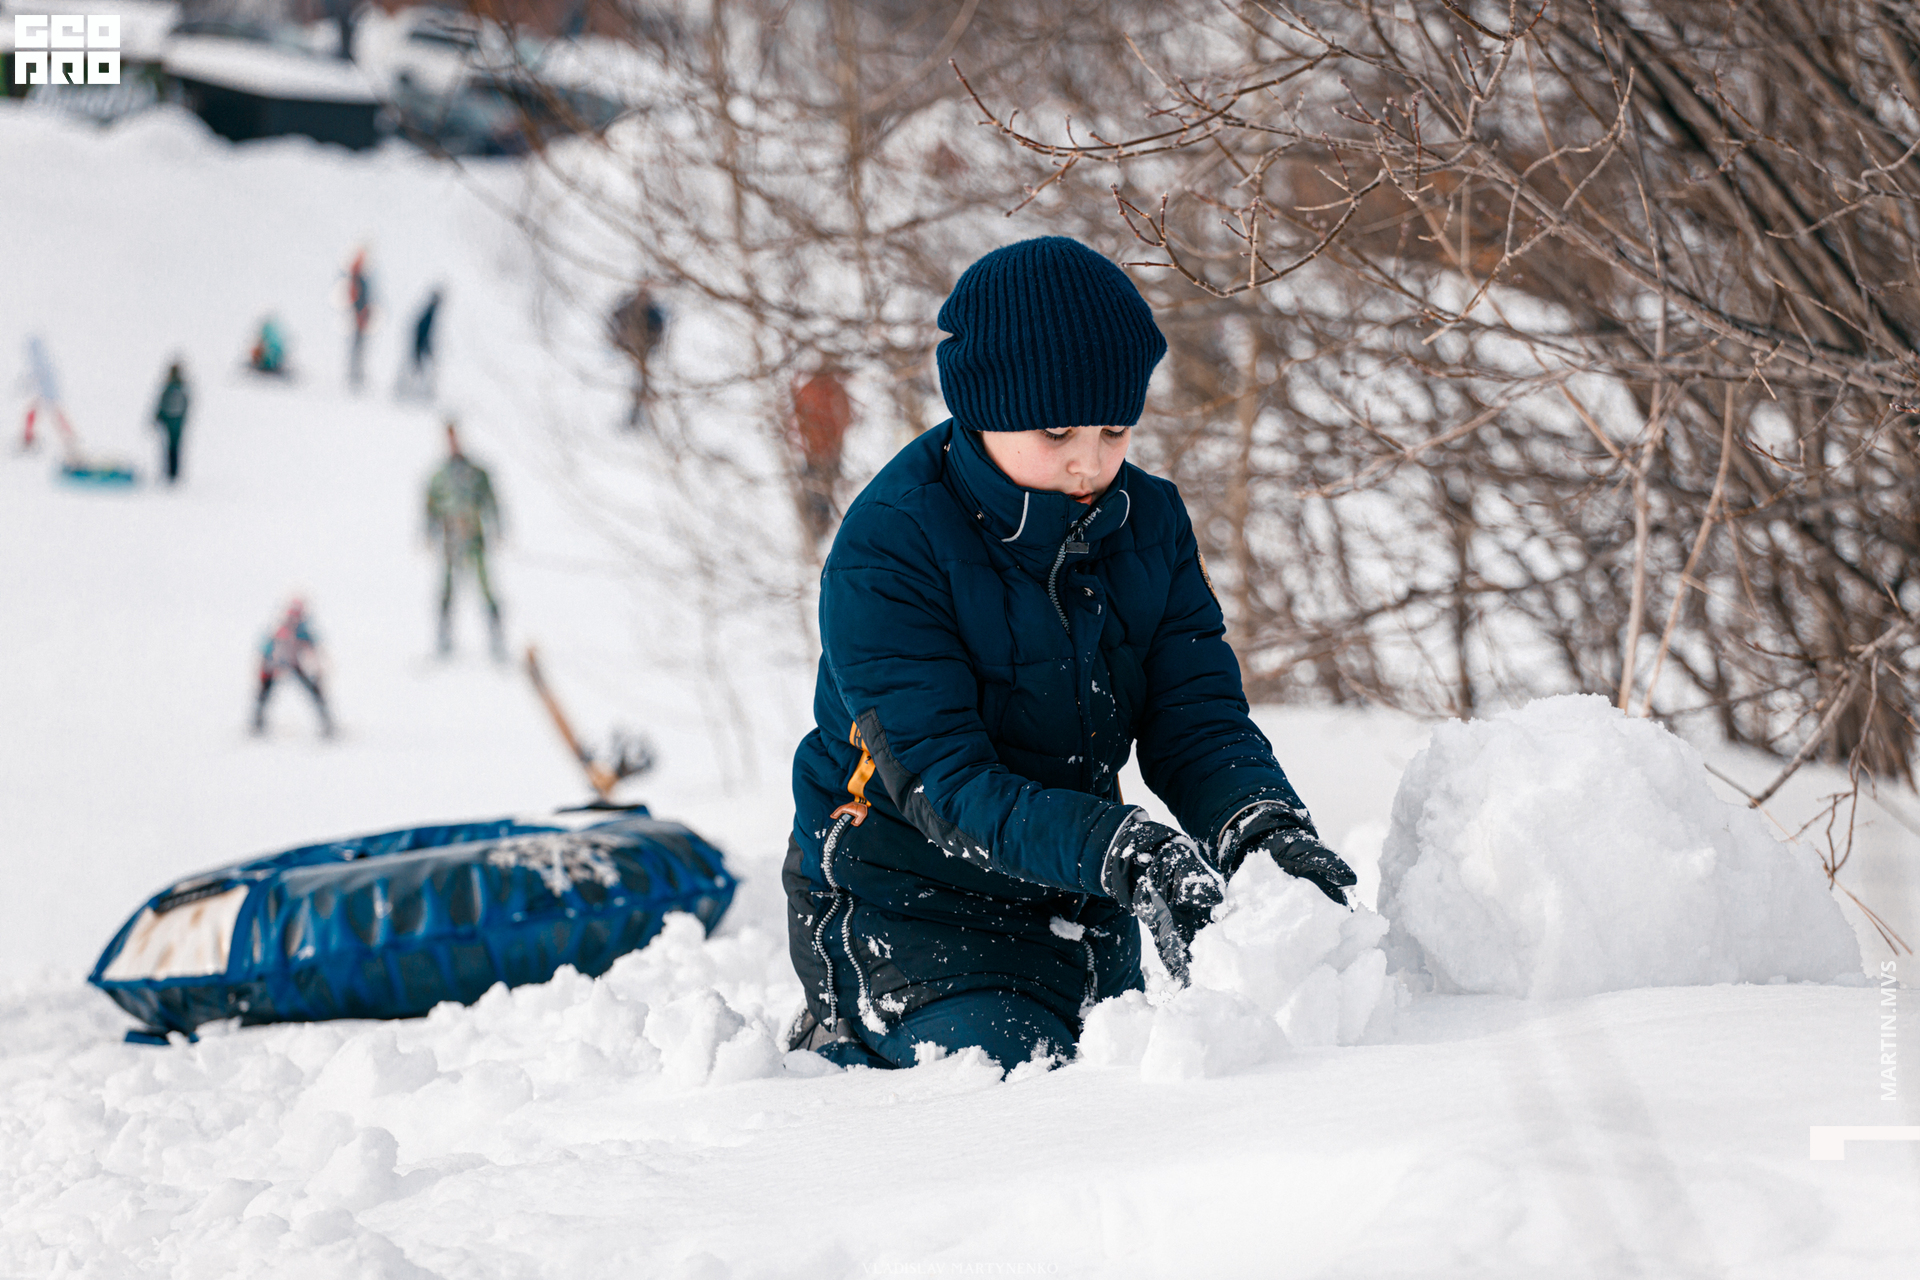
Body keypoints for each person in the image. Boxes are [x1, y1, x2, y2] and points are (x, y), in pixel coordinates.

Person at [783, 236, 1356, 1073]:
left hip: (1080, 905)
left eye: (1115, 428)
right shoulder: (890, 549)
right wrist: (1121, 848)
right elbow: (945, 783)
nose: (1091, 460)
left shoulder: (1148, 524)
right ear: (983, 409)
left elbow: (1194, 722)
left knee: (1159, 1076)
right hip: (904, 906)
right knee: (1022, 1082)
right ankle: (845, 1037)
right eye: (1057, 432)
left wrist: (1260, 828)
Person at [425, 421, 504, 658]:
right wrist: (430, 533)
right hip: (451, 540)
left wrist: (497, 528)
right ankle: (443, 639)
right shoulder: (439, 476)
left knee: (485, 587)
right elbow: (431, 507)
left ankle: (496, 638)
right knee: (447, 589)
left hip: (474, 538)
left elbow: (491, 500)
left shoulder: (476, 473)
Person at [788, 364, 853, 548]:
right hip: (820, 452)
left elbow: (798, 420)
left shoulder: (815, 389)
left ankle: (824, 529)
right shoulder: (830, 389)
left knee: (821, 490)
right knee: (821, 490)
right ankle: (822, 529)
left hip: (821, 452)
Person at [254, 598, 334, 737]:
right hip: (275, 665)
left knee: (313, 692)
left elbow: (312, 648)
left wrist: (318, 667)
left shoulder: (299, 629)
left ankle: (327, 723)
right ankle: (257, 723)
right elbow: (267, 649)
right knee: (265, 695)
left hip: (290, 664)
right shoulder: (284, 629)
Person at [608, 286, 666, 428]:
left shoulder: (652, 312)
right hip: (628, 353)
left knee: (642, 384)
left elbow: (659, 330)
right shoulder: (630, 308)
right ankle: (633, 419)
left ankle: (642, 420)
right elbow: (616, 318)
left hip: (644, 354)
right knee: (631, 385)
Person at [18, 335, 75, 453]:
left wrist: (25, 384)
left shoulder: (41, 361)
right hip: (43, 393)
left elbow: (38, 376)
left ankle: (68, 438)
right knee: (38, 414)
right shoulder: (42, 360)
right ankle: (29, 438)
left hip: (46, 393)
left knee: (54, 416)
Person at [399, 288, 442, 400]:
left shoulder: (430, 310)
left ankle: (411, 390)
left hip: (420, 341)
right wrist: (426, 347)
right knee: (417, 367)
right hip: (419, 342)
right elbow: (423, 330)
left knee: (418, 366)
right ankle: (408, 390)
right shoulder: (430, 311)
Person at [152, 362, 189, 484]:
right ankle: (172, 473)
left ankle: (171, 473)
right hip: (177, 421)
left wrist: (158, 416)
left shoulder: (171, 386)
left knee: (170, 448)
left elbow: (162, 403)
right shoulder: (181, 386)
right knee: (174, 447)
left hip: (171, 421)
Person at [346, 248, 375, 390]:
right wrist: (360, 314)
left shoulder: (359, 278)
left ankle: (356, 372)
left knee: (359, 346)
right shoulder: (357, 279)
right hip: (359, 317)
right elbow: (357, 299)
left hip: (361, 317)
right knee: (357, 346)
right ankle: (354, 373)